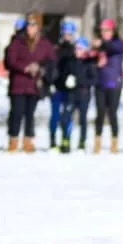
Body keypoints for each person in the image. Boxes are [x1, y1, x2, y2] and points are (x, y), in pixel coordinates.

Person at [3, 17, 53, 153]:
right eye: (29, 26)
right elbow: (11, 60)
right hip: (19, 83)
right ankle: (13, 140)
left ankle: (28, 140)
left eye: (33, 26)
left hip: (34, 84)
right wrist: (25, 68)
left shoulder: (44, 44)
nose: (30, 29)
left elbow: (51, 60)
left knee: (30, 114)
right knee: (17, 113)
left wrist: (40, 68)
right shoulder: (18, 42)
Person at [93, 18, 123, 153]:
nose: (104, 33)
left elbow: (112, 48)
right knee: (100, 113)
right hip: (100, 82)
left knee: (112, 113)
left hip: (114, 82)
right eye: (102, 30)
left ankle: (114, 142)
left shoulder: (118, 43)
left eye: (107, 30)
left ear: (113, 31)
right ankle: (97, 142)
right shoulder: (98, 45)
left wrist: (101, 44)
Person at [49, 22, 80, 151]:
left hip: (70, 89)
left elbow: (79, 68)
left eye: (70, 34)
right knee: (55, 115)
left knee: (67, 116)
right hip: (57, 87)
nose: (67, 36)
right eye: (65, 34)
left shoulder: (76, 50)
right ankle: (53, 141)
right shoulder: (56, 50)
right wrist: (51, 82)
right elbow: (51, 67)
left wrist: (74, 78)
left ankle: (66, 141)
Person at [70, 38, 96, 152]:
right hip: (72, 93)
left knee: (83, 119)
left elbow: (94, 79)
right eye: (76, 48)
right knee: (67, 117)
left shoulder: (89, 62)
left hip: (84, 94)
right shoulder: (72, 61)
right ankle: (66, 139)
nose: (77, 51)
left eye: (80, 49)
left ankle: (82, 141)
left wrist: (80, 82)